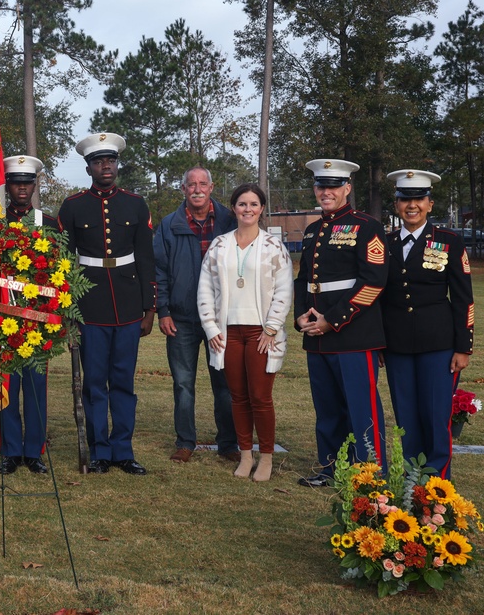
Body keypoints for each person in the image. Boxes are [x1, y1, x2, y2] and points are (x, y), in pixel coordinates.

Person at [58, 133, 155, 475]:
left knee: (124, 382)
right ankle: (99, 450)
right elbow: (64, 263)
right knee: (95, 381)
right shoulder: (73, 206)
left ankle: (123, 450)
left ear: (117, 164)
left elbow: (145, 258)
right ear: (88, 168)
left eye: (111, 161)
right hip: (90, 305)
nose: (106, 167)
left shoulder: (136, 203)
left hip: (128, 305)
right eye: (99, 162)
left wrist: (149, 308)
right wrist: (68, 312)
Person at [294, 159, 388, 487]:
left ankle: (370, 475)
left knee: (361, 409)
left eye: (334, 186)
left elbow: (373, 282)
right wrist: (301, 315)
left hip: (352, 335)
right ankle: (332, 469)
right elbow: (304, 280)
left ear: (347, 188)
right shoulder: (311, 230)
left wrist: (331, 321)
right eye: (321, 186)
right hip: (316, 338)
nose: (326, 192)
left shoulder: (367, 227)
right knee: (328, 411)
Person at [197, 184, 293, 481]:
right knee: (237, 397)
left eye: (253, 204)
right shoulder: (219, 245)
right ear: (233, 208)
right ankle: (245, 454)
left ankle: (265, 457)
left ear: (261, 208)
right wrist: (211, 327)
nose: (247, 209)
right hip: (228, 333)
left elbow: (283, 289)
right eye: (241, 204)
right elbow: (205, 288)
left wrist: (272, 327)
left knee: (260, 397)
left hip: (261, 333)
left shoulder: (273, 246)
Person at [382, 169, 473, 479]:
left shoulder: (449, 241)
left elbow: (463, 298)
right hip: (397, 346)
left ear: (430, 204)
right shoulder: (385, 242)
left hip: (439, 345)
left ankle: (436, 482)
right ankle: (411, 479)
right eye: (405, 199)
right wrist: (380, 342)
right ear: (396, 204)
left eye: (418, 199)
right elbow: (379, 295)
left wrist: (464, 347)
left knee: (436, 417)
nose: (412, 205)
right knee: (405, 417)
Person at [154, 167, 239, 464]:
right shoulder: (168, 225)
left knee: (225, 383)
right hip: (182, 318)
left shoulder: (231, 220)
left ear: (212, 187)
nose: (197, 189)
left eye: (203, 184)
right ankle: (185, 442)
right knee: (182, 382)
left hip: (222, 317)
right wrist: (163, 311)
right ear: (183, 189)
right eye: (191, 184)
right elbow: (159, 272)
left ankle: (229, 442)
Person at [0, 155, 56, 475]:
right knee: (7, 387)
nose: (22, 188)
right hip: (2, 319)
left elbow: (61, 272)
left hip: (37, 322)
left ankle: (34, 451)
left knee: (35, 389)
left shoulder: (48, 223)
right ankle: (10, 450)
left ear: (34, 185)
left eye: (27, 182)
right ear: (8, 186)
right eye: (16, 182)